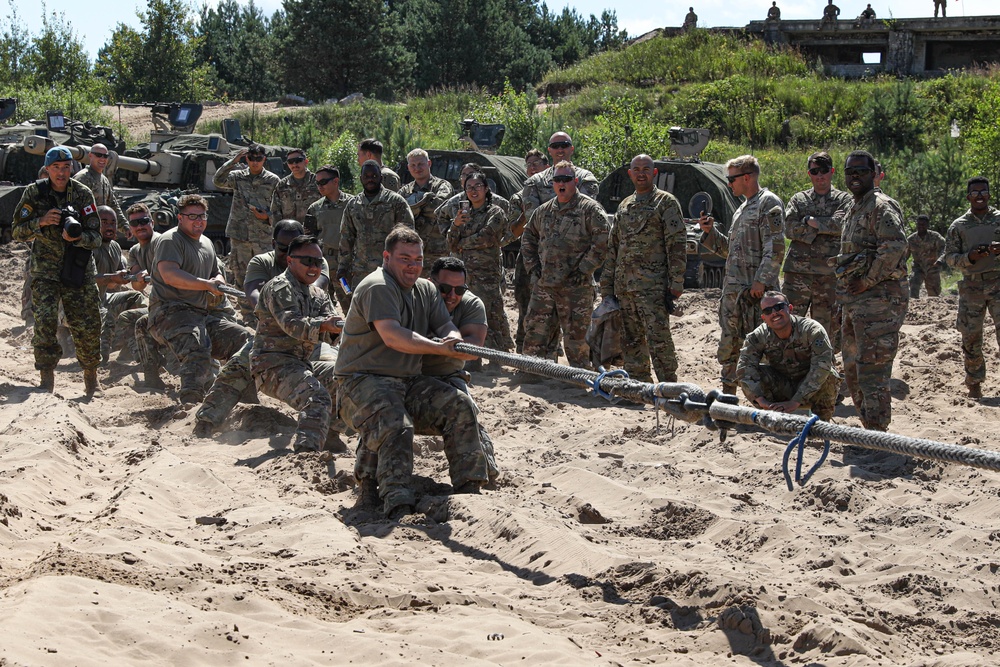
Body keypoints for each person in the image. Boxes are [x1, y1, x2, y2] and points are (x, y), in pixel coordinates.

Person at [334, 226, 489, 519]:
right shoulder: (378, 286)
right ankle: (397, 501)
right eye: (405, 258)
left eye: (417, 259)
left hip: (406, 383)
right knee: (394, 422)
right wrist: (440, 348)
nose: (412, 265)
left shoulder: (427, 289)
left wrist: (452, 338)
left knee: (459, 404)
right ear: (387, 257)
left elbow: (445, 326)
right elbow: (393, 336)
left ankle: (470, 490)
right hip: (361, 382)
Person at [195, 220, 335, 436]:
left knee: (338, 372)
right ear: (274, 244)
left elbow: (316, 287)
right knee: (236, 369)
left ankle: (329, 432)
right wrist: (273, 307)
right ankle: (207, 421)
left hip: (309, 338)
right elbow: (253, 292)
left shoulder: (314, 261)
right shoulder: (262, 262)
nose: (313, 265)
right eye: (283, 248)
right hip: (272, 338)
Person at [12, 146, 103, 395]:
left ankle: (91, 376)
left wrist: (78, 237)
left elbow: (96, 237)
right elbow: (16, 231)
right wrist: (40, 222)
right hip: (45, 271)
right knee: (44, 324)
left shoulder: (83, 194)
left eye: (66, 167)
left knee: (87, 325)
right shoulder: (35, 192)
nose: (61, 173)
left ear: (72, 168)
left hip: (78, 270)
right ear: (47, 169)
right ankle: (46, 377)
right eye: (56, 168)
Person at [147, 194, 252, 404]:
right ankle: (190, 403)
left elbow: (216, 272)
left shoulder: (207, 243)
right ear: (180, 218)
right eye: (192, 216)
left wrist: (218, 281)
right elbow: (170, 275)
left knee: (245, 341)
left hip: (202, 314)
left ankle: (243, 398)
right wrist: (206, 285)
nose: (198, 221)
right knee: (197, 348)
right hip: (169, 313)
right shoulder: (170, 240)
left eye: (202, 216)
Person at [698, 155, 785, 394]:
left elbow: (775, 247)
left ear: (746, 177)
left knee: (764, 347)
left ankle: (771, 401)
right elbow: (732, 252)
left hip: (756, 295)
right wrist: (710, 232)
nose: (729, 184)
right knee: (731, 346)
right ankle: (729, 399)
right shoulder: (742, 209)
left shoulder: (768, 203)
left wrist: (762, 281)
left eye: (731, 179)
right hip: (735, 296)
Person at [250, 235, 343, 453]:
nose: (314, 268)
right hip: (272, 366)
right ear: (290, 261)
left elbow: (332, 330)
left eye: (318, 263)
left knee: (345, 380)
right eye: (307, 261)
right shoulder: (280, 288)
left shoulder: (319, 293)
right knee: (316, 397)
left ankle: (328, 434)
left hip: (303, 364)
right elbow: (292, 325)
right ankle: (306, 453)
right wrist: (325, 325)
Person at [837, 150, 908, 430]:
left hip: (879, 302)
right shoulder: (856, 207)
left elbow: (895, 247)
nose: (855, 177)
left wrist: (867, 281)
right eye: (850, 172)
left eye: (861, 171)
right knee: (853, 367)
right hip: (855, 302)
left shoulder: (880, 205)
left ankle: (878, 433)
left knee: (873, 369)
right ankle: (869, 427)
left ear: (873, 174)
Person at [601, 154, 686, 383]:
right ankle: (639, 386)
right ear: (630, 174)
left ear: (654, 173)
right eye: (636, 169)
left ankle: (669, 386)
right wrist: (607, 287)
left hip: (653, 287)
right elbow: (614, 247)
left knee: (659, 339)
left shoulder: (665, 202)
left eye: (646, 169)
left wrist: (676, 282)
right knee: (631, 340)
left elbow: (676, 244)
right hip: (625, 287)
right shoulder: (625, 205)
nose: (641, 173)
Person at [521, 160, 609, 369]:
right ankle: (534, 373)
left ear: (575, 181)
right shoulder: (543, 211)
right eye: (557, 179)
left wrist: (584, 269)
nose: (561, 183)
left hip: (575, 288)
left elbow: (603, 241)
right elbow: (528, 238)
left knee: (576, 339)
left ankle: (579, 378)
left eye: (566, 179)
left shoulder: (590, 209)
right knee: (535, 333)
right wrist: (533, 269)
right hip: (544, 286)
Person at [781, 151, 852, 343]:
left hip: (828, 276)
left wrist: (811, 222)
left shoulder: (844, 200)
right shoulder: (799, 199)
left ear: (832, 172)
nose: (820, 175)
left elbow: (843, 225)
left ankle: (823, 368)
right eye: (815, 171)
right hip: (798, 274)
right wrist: (820, 229)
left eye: (824, 170)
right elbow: (788, 228)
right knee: (790, 323)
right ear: (809, 174)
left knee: (826, 328)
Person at [737, 292, 839, 421]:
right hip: (782, 386)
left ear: (789, 308)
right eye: (768, 311)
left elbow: (822, 365)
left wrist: (796, 401)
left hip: (811, 388)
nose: (774, 313)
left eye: (779, 307)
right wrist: (762, 401)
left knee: (829, 374)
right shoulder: (758, 336)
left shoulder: (812, 330)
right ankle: (772, 416)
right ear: (764, 317)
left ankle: (822, 421)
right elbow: (744, 368)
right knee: (754, 373)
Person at [944, 177, 1000, 399]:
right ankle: (974, 384)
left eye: (983, 192)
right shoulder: (958, 226)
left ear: (989, 194)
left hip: (998, 283)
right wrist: (970, 257)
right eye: (974, 192)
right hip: (972, 287)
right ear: (968, 197)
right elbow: (949, 258)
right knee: (971, 337)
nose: (979, 196)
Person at [445, 171, 512, 354]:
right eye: (469, 187)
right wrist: (456, 225)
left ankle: (496, 356)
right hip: (466, 275)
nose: (473, 191)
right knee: (469, 315)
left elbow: (487, 237)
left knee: (491, 314)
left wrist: (462, 244)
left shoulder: (495, 212)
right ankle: (474, 355)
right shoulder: (464, 214)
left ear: (486, 188)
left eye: (477, 187)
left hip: (487, 274)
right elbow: (450, 243)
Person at [337, 160, 414, 297]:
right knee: (362, 313)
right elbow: (346, 238)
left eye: (374, 176)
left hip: (389, 271)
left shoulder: (396, 202)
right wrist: (343, 267)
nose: (370, 179)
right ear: (361, 178)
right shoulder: (353, 205)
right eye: (366, 176)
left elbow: (408, 237)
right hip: (360, 272)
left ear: (381, 178)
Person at [212, 143, 280, 288]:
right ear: (246, 159)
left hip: (263, 236)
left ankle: (264, 307)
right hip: (240, 235)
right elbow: (217, 180)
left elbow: (280, 208)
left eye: (259, 158)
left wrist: (268, 217)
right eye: (251, 158)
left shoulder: (273, 180)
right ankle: (245, 309)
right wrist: (233, 161)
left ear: (264, 159)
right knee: (241, 276)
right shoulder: (237, 177)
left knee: (266, 275)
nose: (255, 162)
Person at [93, 205, 146, 364]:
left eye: (113, 223)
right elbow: (84, 279)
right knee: (106, 316)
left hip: (103, 297)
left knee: (136, 298)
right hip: (80, 302)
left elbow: (119, 273)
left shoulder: (115, 246)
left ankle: (132, 350)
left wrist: (131, 275)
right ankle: (100, 361)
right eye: (104, 222)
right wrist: (112, 278)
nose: (109, 227)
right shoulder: (87, 246)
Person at [510, 150, 549, 352]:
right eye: (529, 164)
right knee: (524, 301)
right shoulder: (519, 197)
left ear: (546, 166)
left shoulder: (558, 192)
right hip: (528, 255)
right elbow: (514, 231)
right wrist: (527, 215)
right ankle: (521, 348)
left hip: (552, 256)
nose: (532, 167)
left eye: (537, 163)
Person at [304, 165, 353, 312]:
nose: (320, 186)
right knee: (319, 304)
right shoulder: (314, 208)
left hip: (345, 265)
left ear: (336, 181)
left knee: (349, 302)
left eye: (323, 182)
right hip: (322, 265)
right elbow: (309, 238)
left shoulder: (352, 204)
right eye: (317, 183)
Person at [400, 148, 454, 270]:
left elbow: (438, 208)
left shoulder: (442, 186)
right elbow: (399, 213)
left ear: (429, 164)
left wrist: (413, 206)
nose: (417, 168)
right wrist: (425, 201)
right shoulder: (404, 190)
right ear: (408, 168)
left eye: (420, 164)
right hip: (412, 253)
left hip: (437, 252)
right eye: (413, 165)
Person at [72, 142, 127, 234]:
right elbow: (74, 207)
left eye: (105, 156)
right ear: (90, 155)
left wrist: (125, 227)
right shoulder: (82, 178)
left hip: (100, 232)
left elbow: (113, 205)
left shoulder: (104, 180)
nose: (102, 159)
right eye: (98, 155)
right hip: (86, 232)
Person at [269, 148, 319, 225]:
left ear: (306, 161)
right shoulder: (282, 185)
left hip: (313, 232)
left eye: (298, 160)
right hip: (290, 232)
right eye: (290, 162)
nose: (294, 164)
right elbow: (275, 212)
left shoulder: (317, 182)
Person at [907, 214, 946, 298]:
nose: (921, 227)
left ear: (927, 225)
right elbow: (904, 255)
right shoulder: (911, 239)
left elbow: (945, 249)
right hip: (918, 268)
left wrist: (940, 260)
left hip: (933, 268)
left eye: (923, 225)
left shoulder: (935, 237)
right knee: (913, 285)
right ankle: (914, 308)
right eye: (919, 224)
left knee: (934, 295)